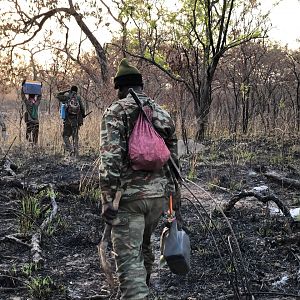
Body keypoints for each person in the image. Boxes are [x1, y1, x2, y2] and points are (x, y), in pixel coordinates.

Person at [99, 58, 180, 300]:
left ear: (121, 88)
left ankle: (137, 294)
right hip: (157, 198)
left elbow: (110, 160)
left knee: (128, 258)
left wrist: (107, 200)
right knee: (144, 247)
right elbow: (174, 163)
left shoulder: (115, 112)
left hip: (128, 200)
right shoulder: (162, 114)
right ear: (141, 86)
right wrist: (173, 199)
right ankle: (143, 288)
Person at [56, 85, 85, 157]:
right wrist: (83, 115)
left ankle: (71, 149)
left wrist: (66, 91)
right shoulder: (78, 98)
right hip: (76, 121)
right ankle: (76, 153)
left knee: (65, 136)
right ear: (77, 91)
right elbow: (82, 108)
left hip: (68, 120)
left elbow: (58, 95)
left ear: (71, 90)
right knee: (75, 136)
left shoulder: (67, 97)